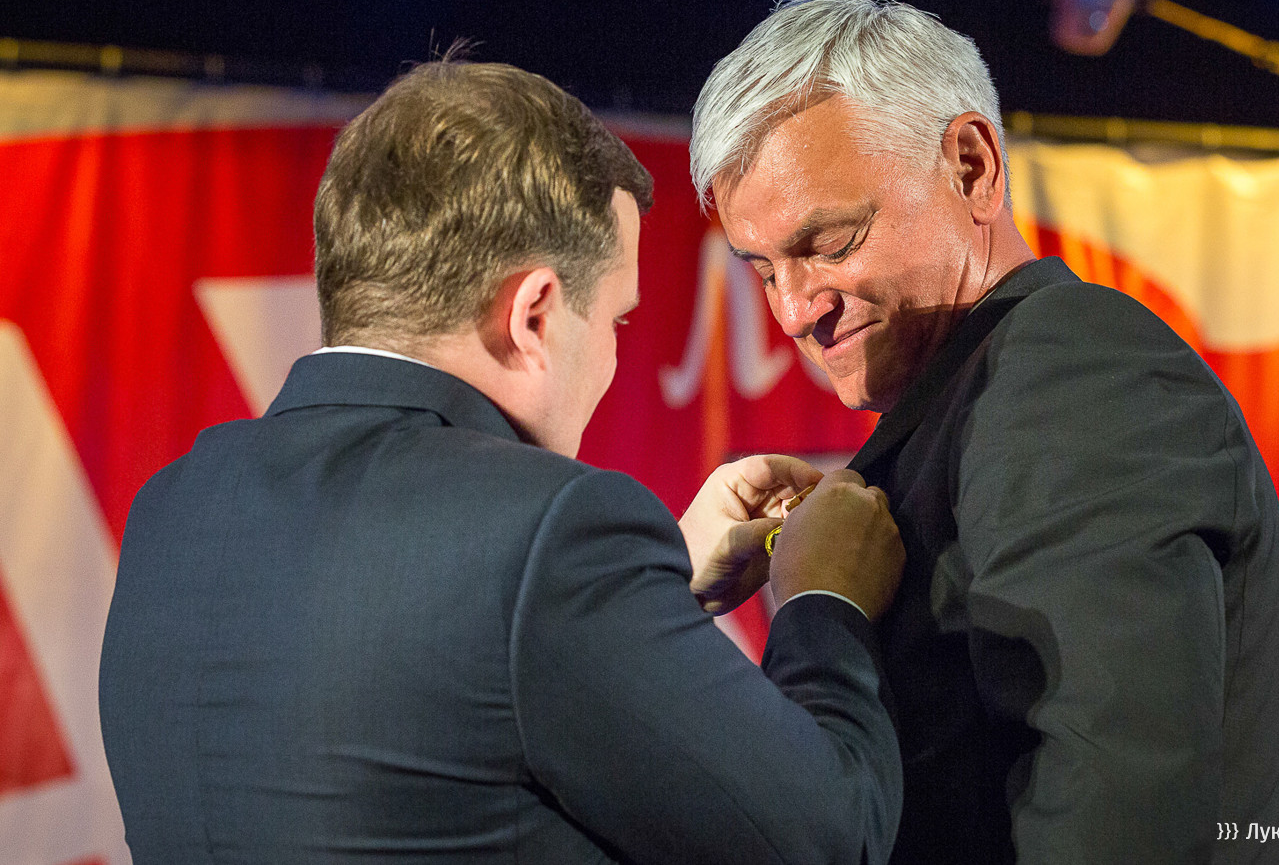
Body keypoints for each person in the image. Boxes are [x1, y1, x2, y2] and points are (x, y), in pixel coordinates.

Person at [98, 56, 908, 863]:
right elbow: (834, 837)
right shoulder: (549, 530)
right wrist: (823, 600)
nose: (611, 355)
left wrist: (643, 600)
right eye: (616, 321)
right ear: (534, 316)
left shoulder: (172, 509)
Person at [691, 0, 1279, 865]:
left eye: (830, 242)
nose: (793, 311)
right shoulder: (976, 402)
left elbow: (1118, 812)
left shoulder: (1073, 369)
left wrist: (822, 607)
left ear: (972, 167)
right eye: (763, 270)